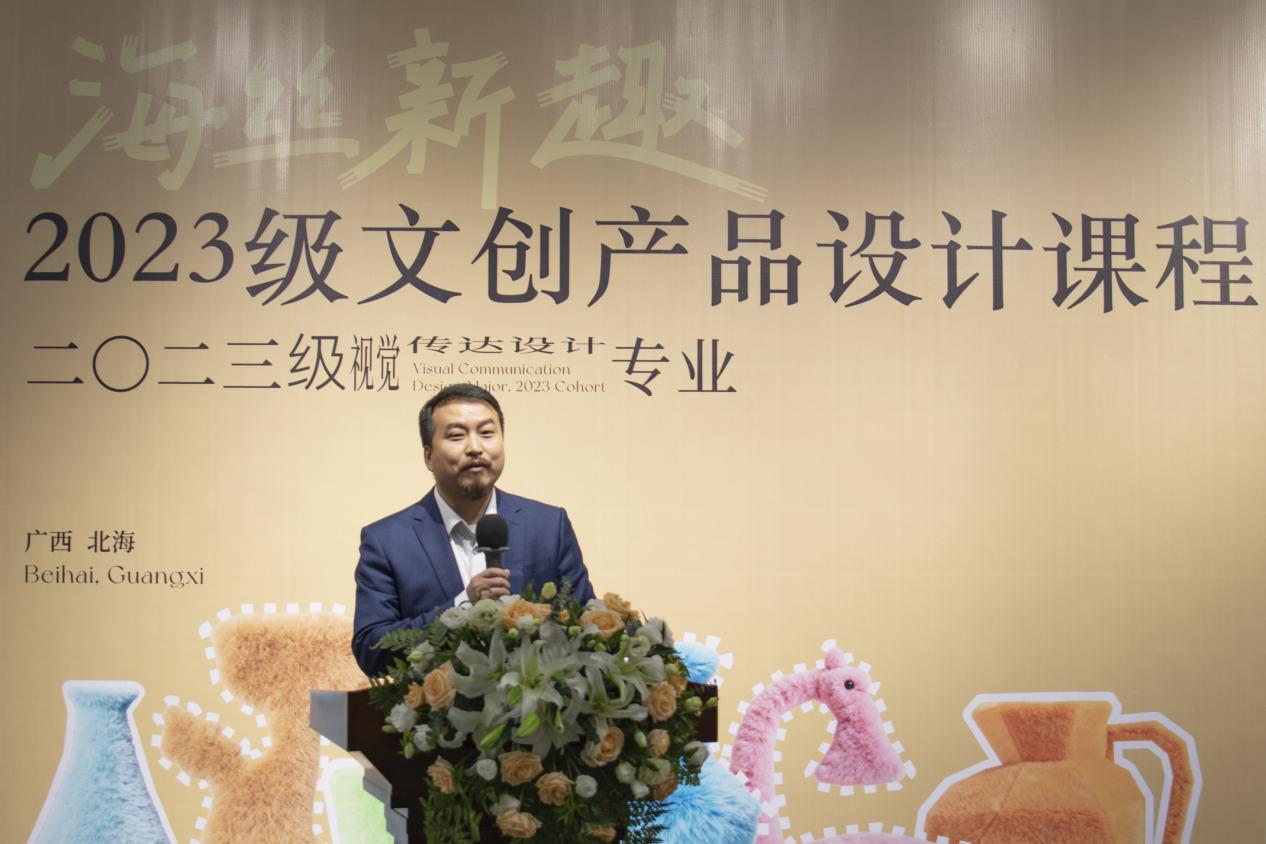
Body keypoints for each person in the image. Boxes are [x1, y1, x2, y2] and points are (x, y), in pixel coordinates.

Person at [352, 383, 595, 675]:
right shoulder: (387, 541)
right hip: (434, 703)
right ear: (428, 456)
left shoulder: (548, 526)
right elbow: (372, 650)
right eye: (456, 436)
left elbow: (586, 629)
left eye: (487, 433)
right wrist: (463, 605)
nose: (475, 447)